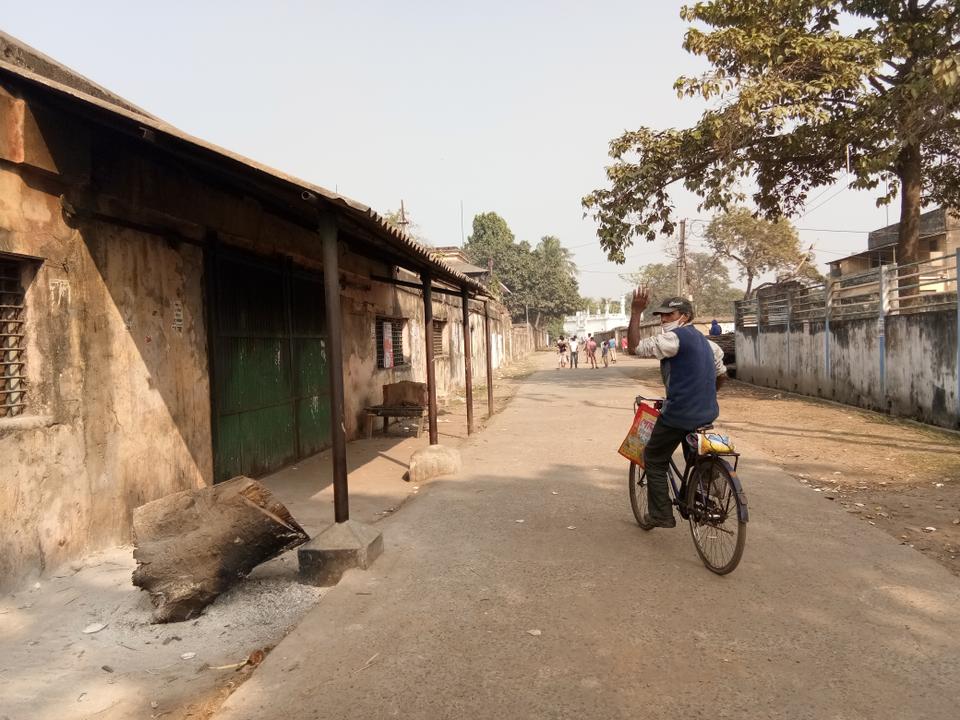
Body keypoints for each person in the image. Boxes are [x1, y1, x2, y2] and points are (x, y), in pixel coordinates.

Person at [627, 290, 726, 528]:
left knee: (653, 457)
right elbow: (721, 375)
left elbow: (633, 347)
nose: (663, 320)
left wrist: (636, 312)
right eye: (661, 316)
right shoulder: (709, 344)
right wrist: (702, 395)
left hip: (680, 413)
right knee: (695, 456)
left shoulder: (672, 339)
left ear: (684, 316)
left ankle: (661, 514)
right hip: (707, 412)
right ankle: (701, 488)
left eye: (669, 315)